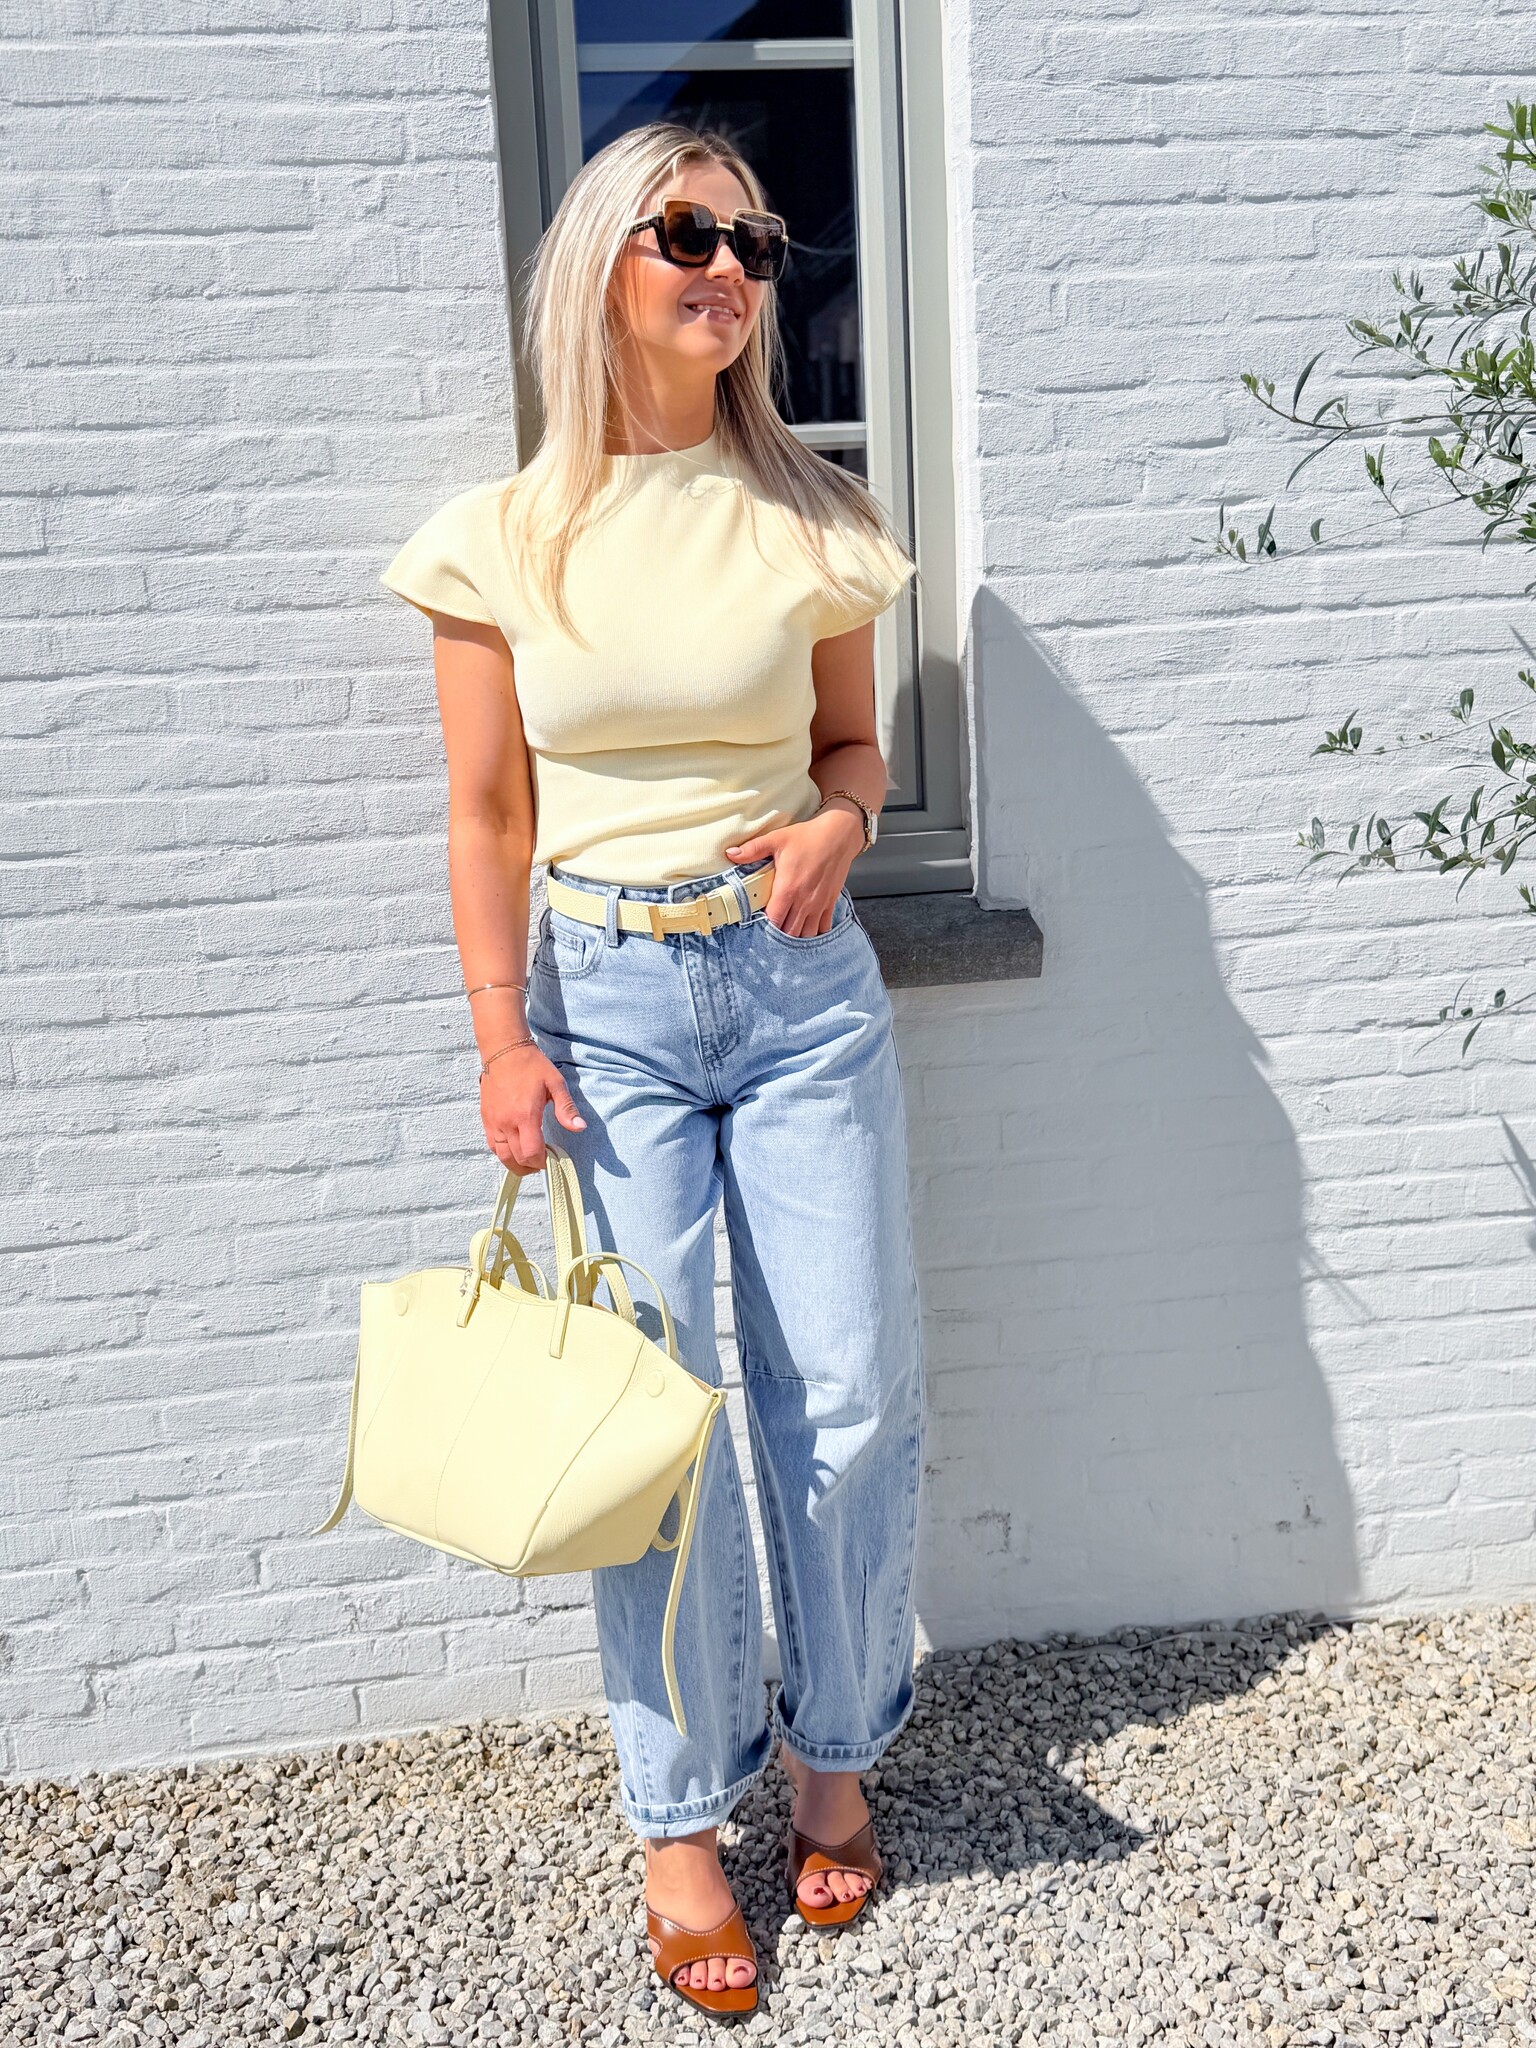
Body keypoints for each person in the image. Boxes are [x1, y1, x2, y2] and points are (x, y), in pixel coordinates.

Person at [379, 119, 927, 2024]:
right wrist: (499, 1034)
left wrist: (838, 827)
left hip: (798, 990)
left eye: (755, 244)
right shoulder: (503, 539)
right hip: (603, 1004)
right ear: (600, 262)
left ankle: (834, 1752)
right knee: (658, 1422)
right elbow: (485, 813)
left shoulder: (817, 517)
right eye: (689, 233)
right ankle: (681, 1822)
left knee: (846, 1391)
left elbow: (851, 755)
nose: (730, 270)